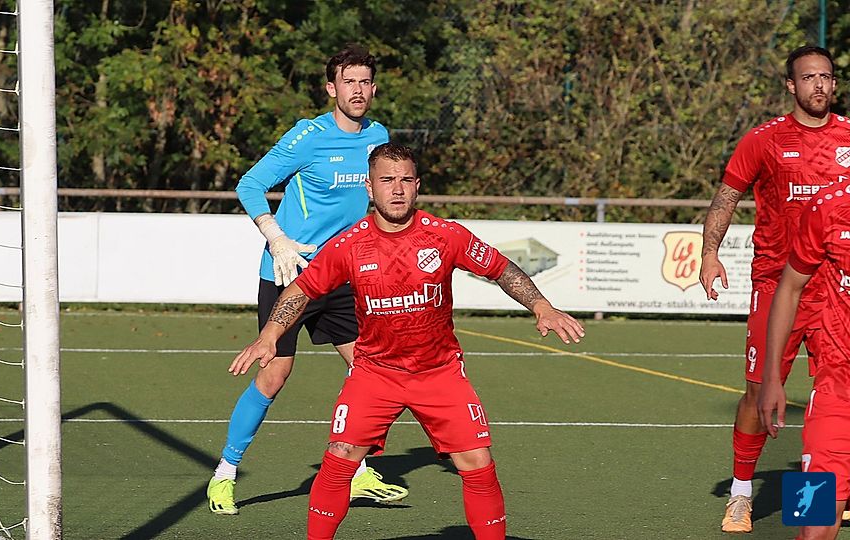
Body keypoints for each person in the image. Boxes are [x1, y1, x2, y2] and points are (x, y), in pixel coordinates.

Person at [229, 143, 586, 539]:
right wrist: (269, 335)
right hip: (375, 374)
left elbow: (500, 268)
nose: (396, 189)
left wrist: (541, 306)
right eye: (386, 180)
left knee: (477, 462)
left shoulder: (445, 235)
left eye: (405, 180)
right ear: (369, 188)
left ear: (417, 185)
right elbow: (302, 288)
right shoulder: (349, 245)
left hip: (439, 373)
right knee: (340, 456)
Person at [208, 46, 406, 515]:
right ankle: (224, 475)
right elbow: (249, 184)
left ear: (374, 88)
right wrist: (276, 238)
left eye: (365, 82)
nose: (357, 90)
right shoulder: (308, 136)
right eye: (348, 82)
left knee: (370, 371)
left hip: (344, 276)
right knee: (274, 374)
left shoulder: (378, 137)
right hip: (291, 272)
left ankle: (356, 470)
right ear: (331, 88)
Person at [698, 45, 850, 533]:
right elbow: (726, 196)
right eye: (808, 77)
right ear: (790, 85)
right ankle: (742, 493)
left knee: (833, 396)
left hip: (835, 293)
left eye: (826, 77)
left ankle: (829, 491)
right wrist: (709, 252)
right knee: (759, 390)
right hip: (778, 285)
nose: (819, 85)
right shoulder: (764, 140)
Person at [757, 178, 850, 540]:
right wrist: (771, 378)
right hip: (836, 389)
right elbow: (789, 287)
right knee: (812, 525)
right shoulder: (828, 204)